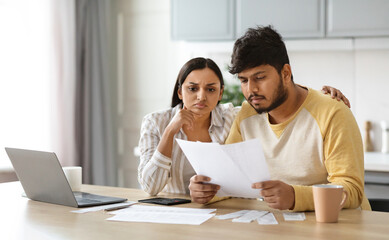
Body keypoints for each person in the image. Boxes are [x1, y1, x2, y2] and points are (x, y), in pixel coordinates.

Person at [189, 26, 371, 212]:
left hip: (340, 226)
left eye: (259, 78)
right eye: (244, 80)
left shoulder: (332, 113)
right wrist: (208, 191)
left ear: (285, 73)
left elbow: (352, 190)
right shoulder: (246, 115)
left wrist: (295, 197)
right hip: (281, 226)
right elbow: (232, 178)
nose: (251, 90)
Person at [138, 57, 349, 196]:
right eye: (192, 88)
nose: (201, 96)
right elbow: (150, 187)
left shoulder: (232, 116)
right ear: (180, 92)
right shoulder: (155, 123)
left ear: (220, 93)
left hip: (220, 214)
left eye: (211, 90)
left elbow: (272, 97)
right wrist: (170, 132)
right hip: (173, 215)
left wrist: (322, 96)